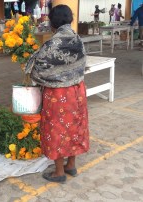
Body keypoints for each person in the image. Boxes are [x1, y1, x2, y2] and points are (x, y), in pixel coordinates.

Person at [26, 4, 89, 183]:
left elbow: (39, 70)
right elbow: (82, 62)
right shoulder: (77, 39)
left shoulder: (52, 44)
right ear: (71, 19)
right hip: (77, 91)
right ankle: (71, 165)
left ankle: (59, 171)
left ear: (52, 23)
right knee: (75, 126)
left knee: (58, 129)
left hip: (58, 94)